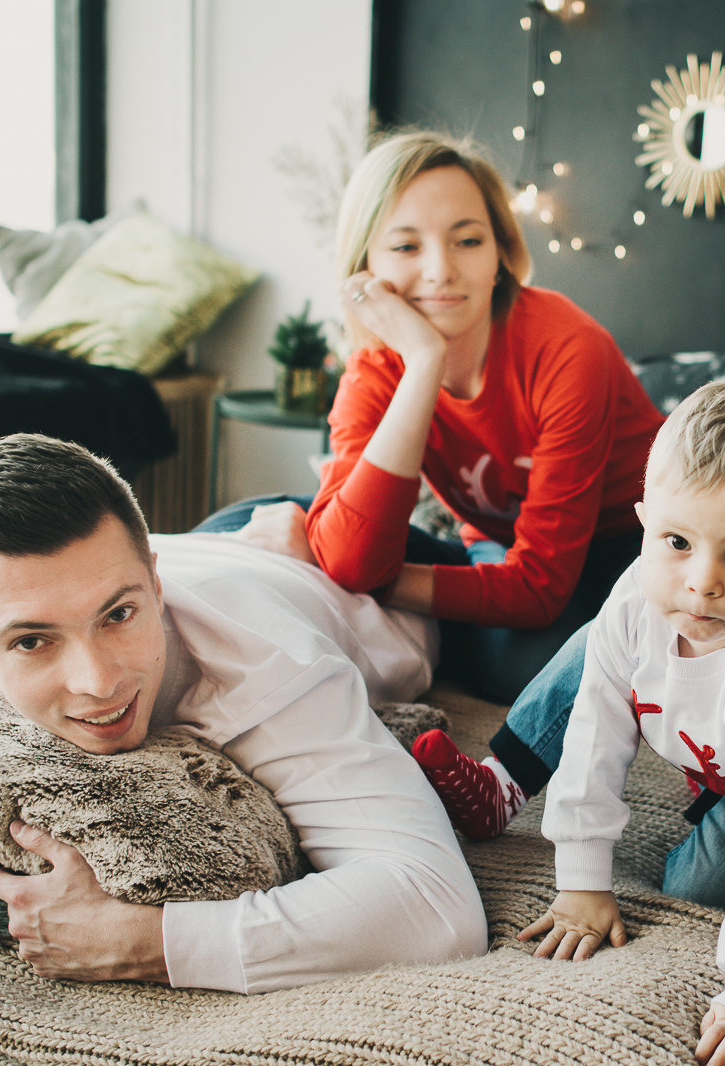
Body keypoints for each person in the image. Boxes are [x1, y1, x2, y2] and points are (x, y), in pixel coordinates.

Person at [0, 434, 485, 992]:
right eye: (32, 641)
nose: (97, 682)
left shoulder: (276, 671)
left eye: (119, 615)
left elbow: (435, 909)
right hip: (224, 539)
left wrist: (147, 943)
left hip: (371, 573)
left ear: (155, 586)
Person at [413, 376, 725, 1066]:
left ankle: (713, 806)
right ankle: (503, 783)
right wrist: (581, 881)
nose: (702, 582)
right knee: (594, 648)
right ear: (644, 523)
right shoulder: (640, 593)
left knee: (696, 891)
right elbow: (595, 735)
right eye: (678, 540)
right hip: (700, 732)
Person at [209, 130, 665, 704]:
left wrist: (372, 579)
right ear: (365, 267)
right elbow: (350, 555)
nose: (440, 269)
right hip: (499, 545)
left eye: (467, 241)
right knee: (247, 522)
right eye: (405, 247)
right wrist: (424, 363)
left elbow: (540, 588)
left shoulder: (570, 349)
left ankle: (427, 624)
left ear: (500, 254)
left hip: (629, 547)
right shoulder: (374, 370)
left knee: (523, 670)